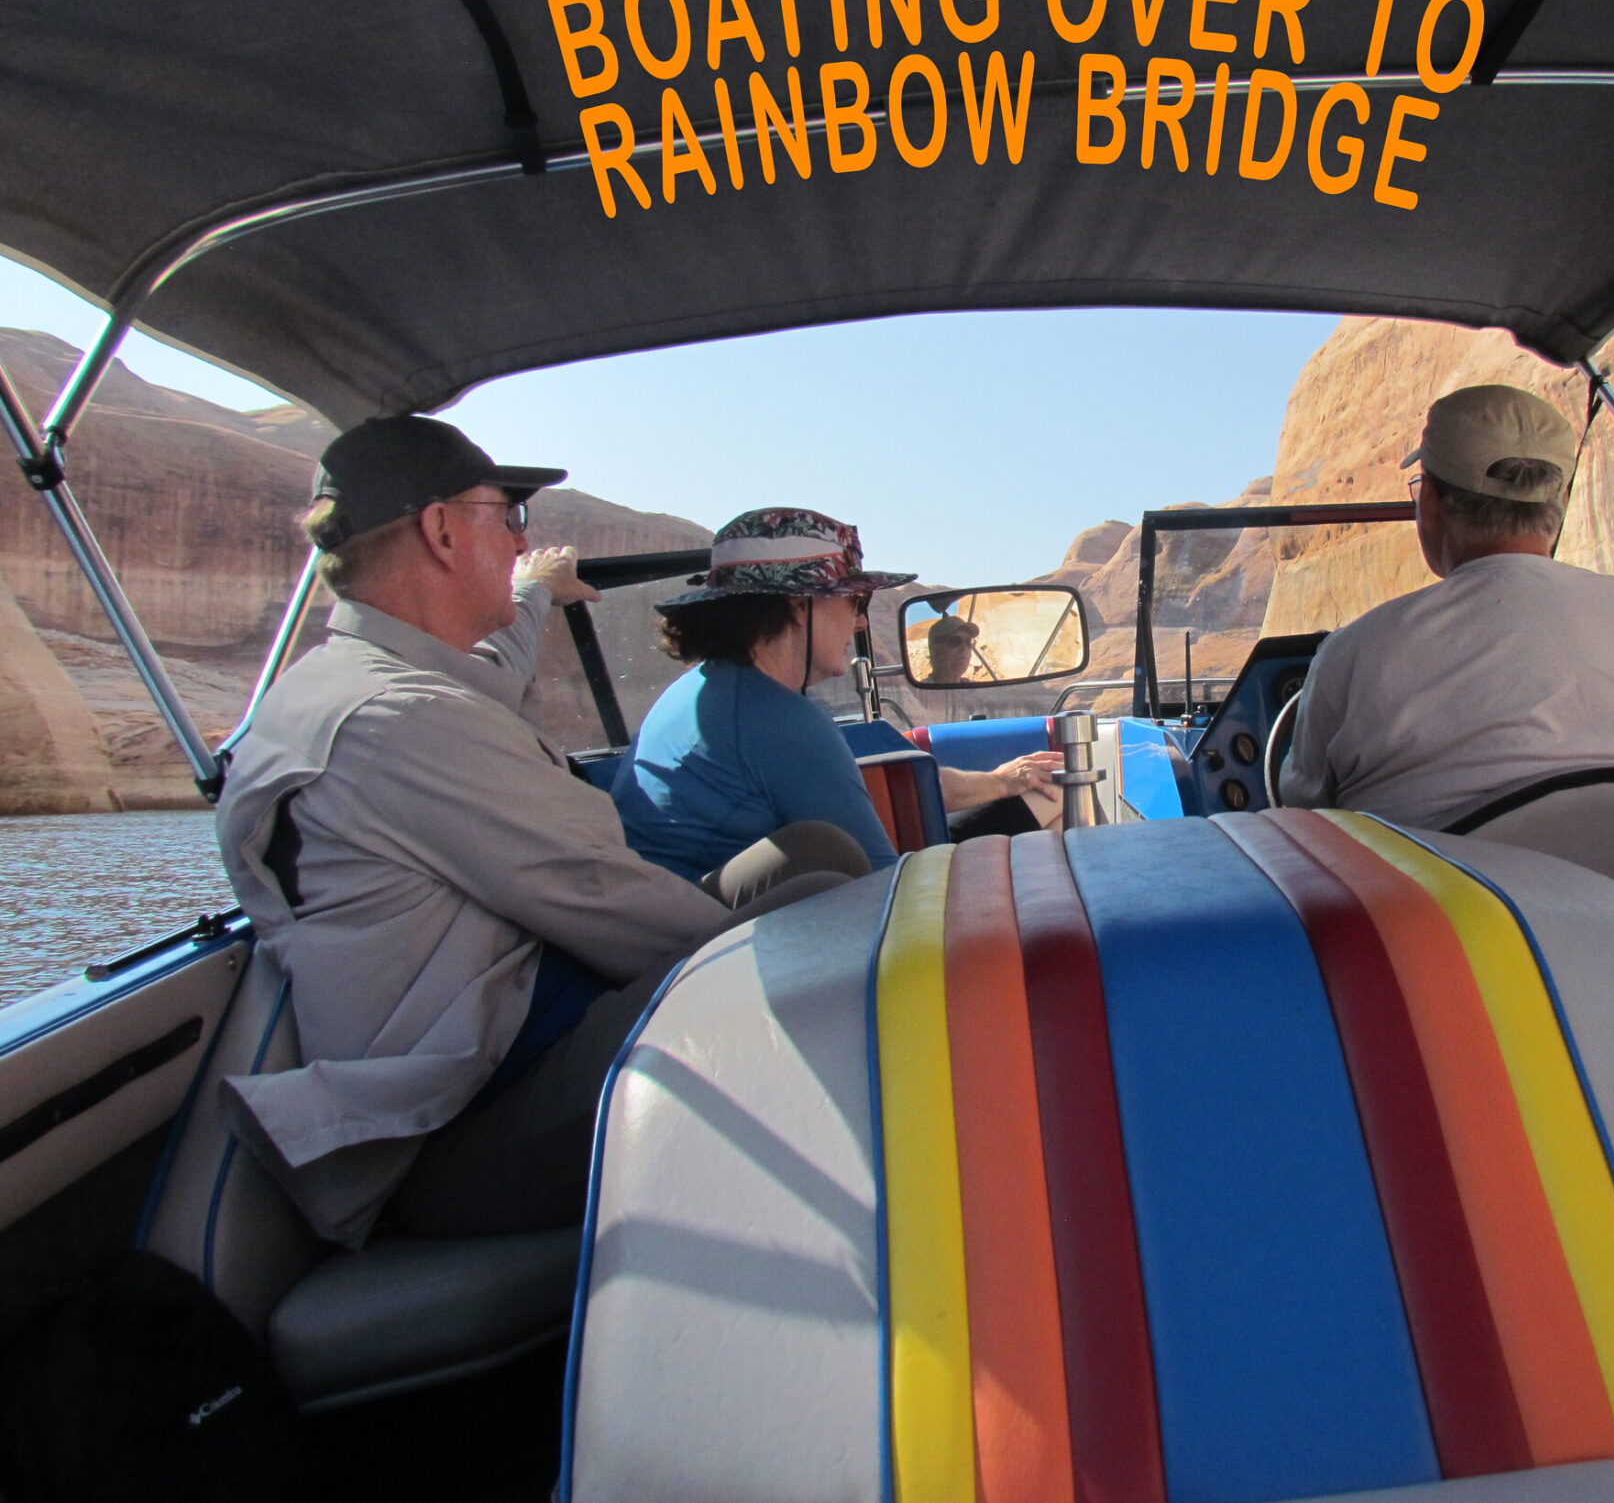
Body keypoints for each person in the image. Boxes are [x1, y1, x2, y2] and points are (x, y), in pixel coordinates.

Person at [215, 418, 861, 1249]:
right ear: (442, 530)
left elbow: (496, 670)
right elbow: (605, 896)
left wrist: (534, 593)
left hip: (506, 1039)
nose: (523, 541)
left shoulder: (358, 682)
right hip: (456, 1130)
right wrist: (784, 961)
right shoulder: (403, 721)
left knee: (814, 862)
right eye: (508, 516)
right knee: (825, 932)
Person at [1278, 384, 1614, 828]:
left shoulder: (1356, 653)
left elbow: (1306, 819)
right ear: (1561, 501)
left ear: (1432, 501)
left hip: (1453, 894)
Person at [612, 509, 1062, 875]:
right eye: (854, 601)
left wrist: (1003, 782)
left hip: (705, 923)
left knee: (1033, 803)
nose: (860, 622)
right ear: (799, 606)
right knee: (1051, 807)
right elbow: (881, 888)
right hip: (738, 937)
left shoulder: (713, 691)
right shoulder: (776, 719)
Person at [925, 613, 982, 684]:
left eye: (968, 642)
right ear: (936, 651)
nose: (964, 649)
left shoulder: (974, 688)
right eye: (955, 641)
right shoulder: (918, 690)